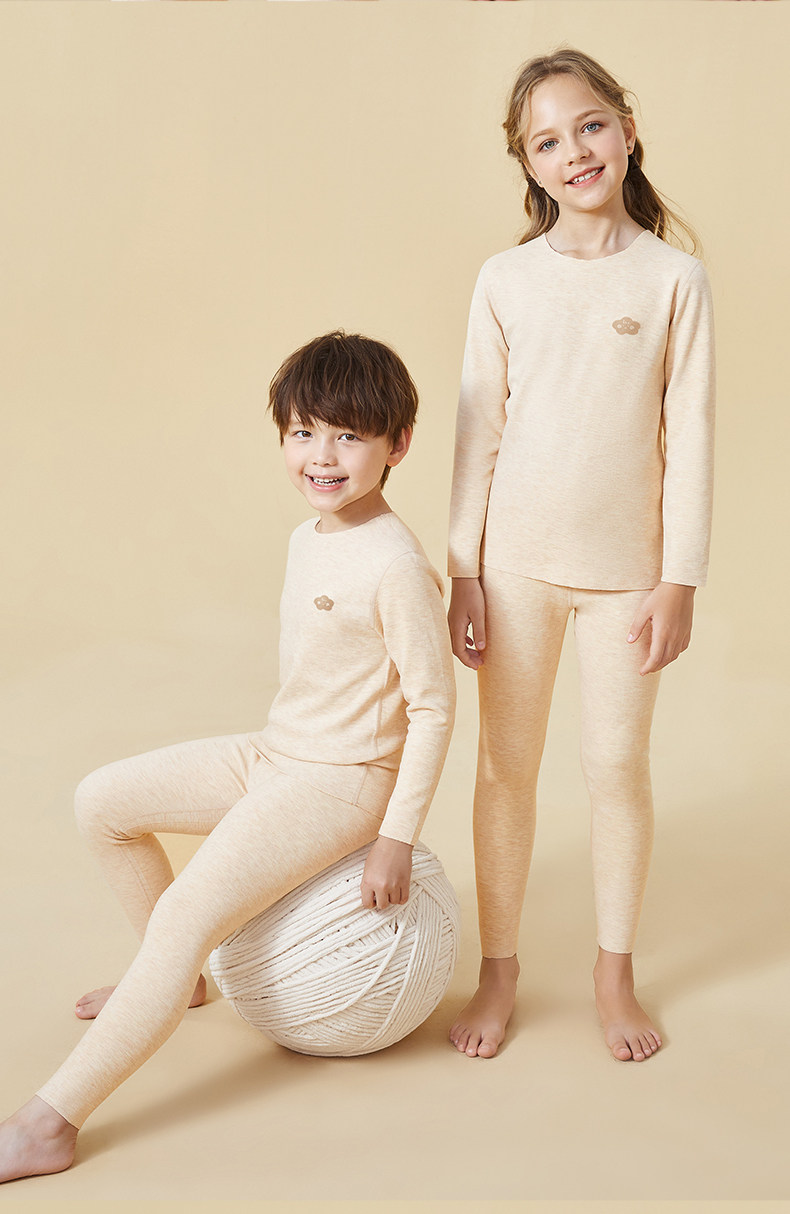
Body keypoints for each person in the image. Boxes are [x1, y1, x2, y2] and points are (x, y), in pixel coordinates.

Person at [0, 331, 456, 1183]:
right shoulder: (308, 536)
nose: (322, 457)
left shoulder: (396, 566)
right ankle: (179, 985)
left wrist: (396, 835)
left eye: (349, 436)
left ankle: (47, 1124)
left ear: (398, 445)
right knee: (102, 801)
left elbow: (434, 707)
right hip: (279, 754)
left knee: (187, 919)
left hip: (342, 783)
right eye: (304, 432)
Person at [446, 48, 715, 1062]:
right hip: (512, 568)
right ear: (529, 165)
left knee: (614, 766)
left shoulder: (674, 278)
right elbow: (478, 429)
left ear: (627, 130)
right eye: (547, 142)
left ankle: (613, 971)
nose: (575, 152)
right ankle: (499, 969)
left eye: (590, 125)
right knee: (504, 769)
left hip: (627, 577)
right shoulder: (505, 279)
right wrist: (463, 569)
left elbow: (689, 434)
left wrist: (679, 576)